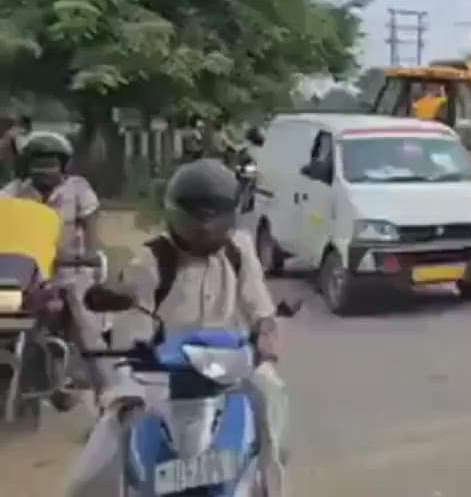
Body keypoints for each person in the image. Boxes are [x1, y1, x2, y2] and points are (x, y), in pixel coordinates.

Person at [67, 160, 287, 497]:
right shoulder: (152, 258)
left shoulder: (239, 249)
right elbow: (130, 315)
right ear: (175, 214)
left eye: (215, 217)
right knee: (113, 429)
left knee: (270, 392)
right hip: (158, 369)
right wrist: (126, 363)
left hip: (225, 364)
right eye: (197, 218)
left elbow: (259, 304)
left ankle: (272, 483)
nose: (206, 228)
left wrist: (267, 336)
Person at [3, 132, 104, 408]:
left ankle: (107, 395)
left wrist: (89, 254)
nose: (45, 170)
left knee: (86, 326)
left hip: (70, 270)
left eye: (51, 163)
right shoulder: (13, 192)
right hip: (27, 273)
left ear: (63, 165)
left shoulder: (78, 189)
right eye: (38, 162)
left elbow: (91, 223)